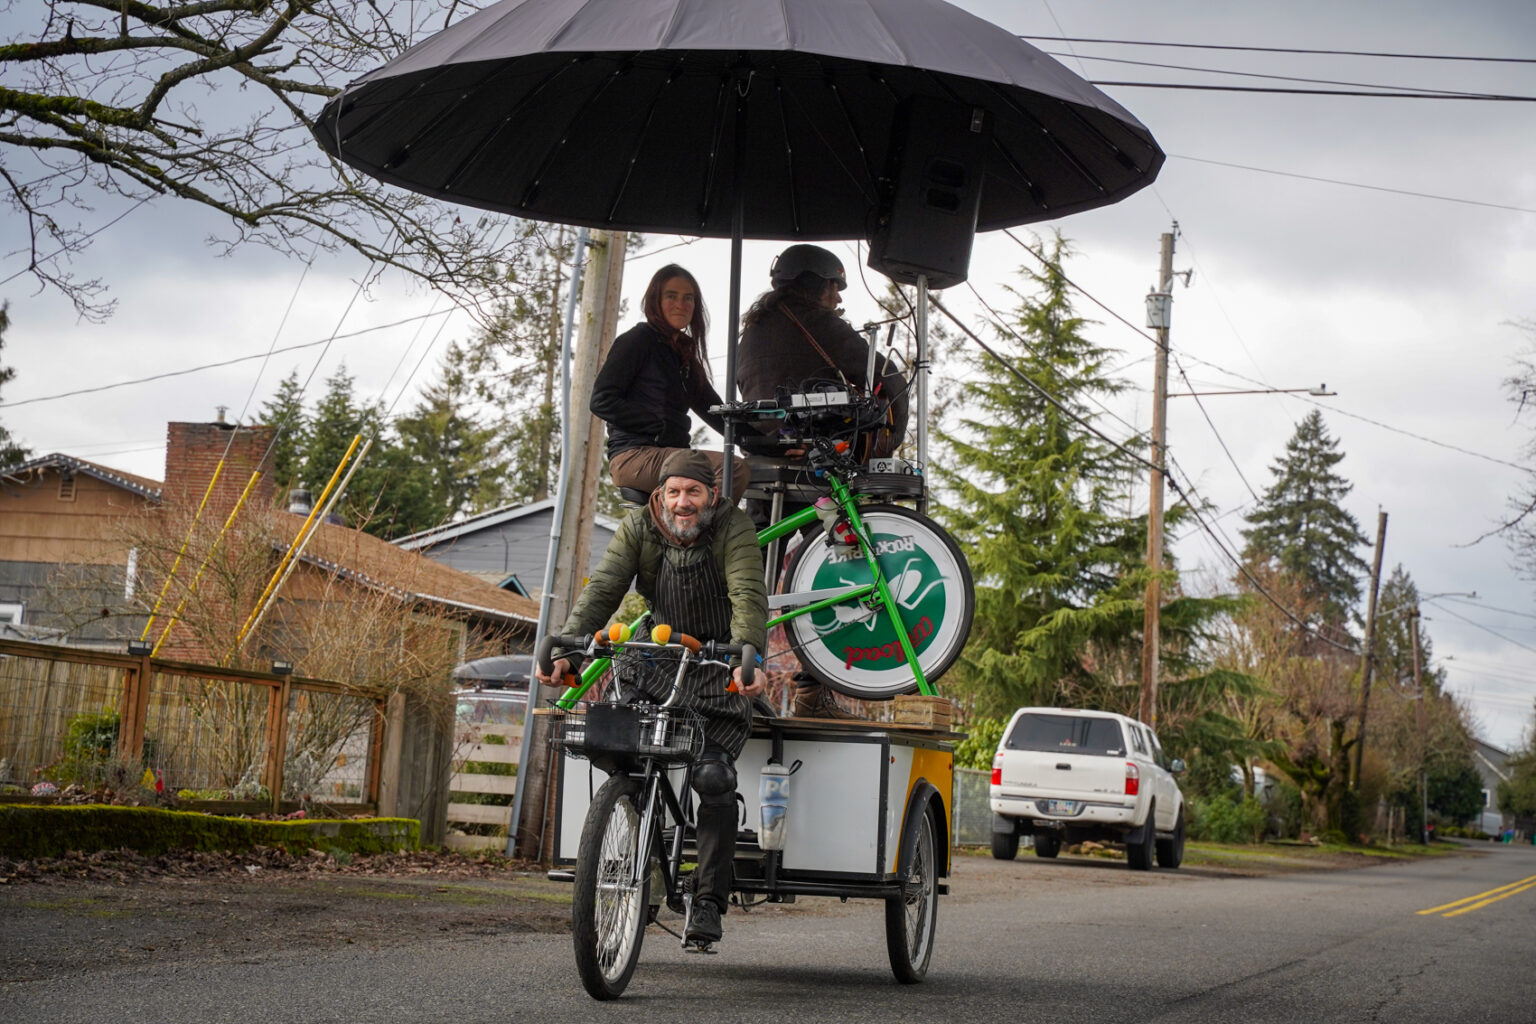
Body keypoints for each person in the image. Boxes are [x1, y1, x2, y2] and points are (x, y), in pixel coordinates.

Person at [535, 448, 767, 949]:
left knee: (712, 775)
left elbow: (748, 593)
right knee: (627, 762)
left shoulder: (733, 528)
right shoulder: (639, 526)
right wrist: (570, 654)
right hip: (658, 659)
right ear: (660, 495)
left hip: (715, 663)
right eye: (674, 493)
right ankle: (643, 870)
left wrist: (748, 655)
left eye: (694, 492)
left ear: (712, 496)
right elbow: (603, 589)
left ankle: (708, 899)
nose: (683, 503)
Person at [736, 244, 910, 718]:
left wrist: (771, 439)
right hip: (816, 466)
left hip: (763, 462)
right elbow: (889, 377)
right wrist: (888, 440)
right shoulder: (819, 324)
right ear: (817, 284)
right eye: (834, 287)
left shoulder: (750, 332)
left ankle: (727, 666)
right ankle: (813, 688)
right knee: (833, 566)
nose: (837, 297)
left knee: (754, 569)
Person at [592, 264, 750, 499]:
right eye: (671, 296)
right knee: (731, 468)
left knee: (751, 469)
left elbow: (715, 411)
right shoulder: (636, 341)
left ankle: (696, 534)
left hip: (671, 454)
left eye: (689, 298)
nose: (681, 304)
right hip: (635, 455)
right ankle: (710, 536)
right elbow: (601, 400)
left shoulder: (683, 353)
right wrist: (654, 423)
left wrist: (766, 444)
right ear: (655, 300)